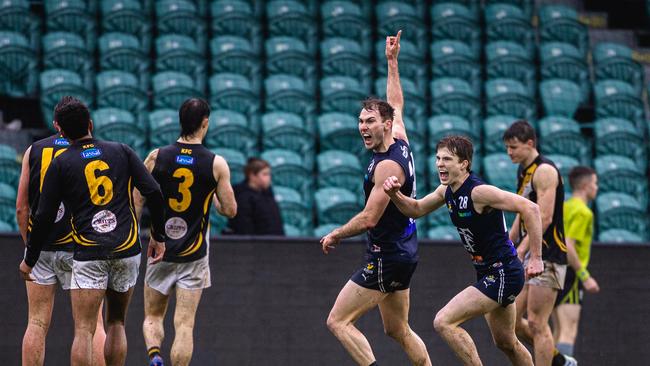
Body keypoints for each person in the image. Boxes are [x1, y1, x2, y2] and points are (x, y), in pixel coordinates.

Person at [18, 96, 167, 366]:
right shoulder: (121, 150)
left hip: (88, 251)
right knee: (115, 322)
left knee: (84, 329)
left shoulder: (60, 163)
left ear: (60, 130)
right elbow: (154, 191)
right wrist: (158, 236)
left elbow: (42, 215)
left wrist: (30, 258)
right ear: (91, 123)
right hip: (126, 248)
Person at [320, 31, 432, 366]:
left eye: (370, 122)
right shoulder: (398, 134)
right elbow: (396, 102)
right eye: (360, 121)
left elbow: (370, 218)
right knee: (397, 330)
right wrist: (392, 61)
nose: (363, 127)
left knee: (337, 321)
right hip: (405, 249)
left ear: (384, 126)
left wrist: (336, 233)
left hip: (388, 255)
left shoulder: (387, 166)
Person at [384, 135, 542, 365]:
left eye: (447, 159)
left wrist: (536, 257)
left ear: (464, 163)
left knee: (444, 321)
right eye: (438, 158)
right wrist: (395, 195)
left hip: (503, 273)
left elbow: (531, 209)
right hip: (490, 273)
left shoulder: (479, 192)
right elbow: (415, 209)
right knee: (507, 343)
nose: (439, 163)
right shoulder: (446, 191)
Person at [135, 98, 237, 366]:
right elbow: (230, 210)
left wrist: (135, 231)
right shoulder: (216, 163)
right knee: (184, 324)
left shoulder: (156, 157)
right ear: (205, 123)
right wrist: (213, 195)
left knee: (153, 316)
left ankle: (154, 355)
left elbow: (137, 198)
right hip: (194, 255)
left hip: (160, 250)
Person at [15, 103, 106, 366]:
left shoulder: (34, 150)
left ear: (56, 124)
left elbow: (22, 208)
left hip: (42, 247)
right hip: (81, 249)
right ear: (87, 124)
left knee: (36, 321)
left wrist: (31, 246)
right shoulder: (94, 152)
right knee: (91, 326)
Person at [502, 120, 575, 366]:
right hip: (527, 253)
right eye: (507, 148)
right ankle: (558, 360)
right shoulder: (523, 170)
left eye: (514, 147)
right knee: (511, 322)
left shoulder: (544, 170)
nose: (509, 152)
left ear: (530, 144)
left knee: (536, 321)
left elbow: (544, 217)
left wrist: (521, 250)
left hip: (549, 255)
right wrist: (508, 245)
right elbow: (522, 213)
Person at [551, 166, 600, 365]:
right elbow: (569, 244)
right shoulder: (583, 212)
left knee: (556, 330)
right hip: (569, 272)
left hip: (554, 267)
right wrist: (584, 275)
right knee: (568, 329)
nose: (597, 188)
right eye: (595, 183)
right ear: (587, 186)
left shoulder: (565, 206)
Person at [225, 158, 284, 235]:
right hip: (255, 244)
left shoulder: (268, 194)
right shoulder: (242, 197)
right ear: (252, 175)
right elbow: (244, 229)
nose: (269, 178)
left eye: (269, 174)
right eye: (265, 174)